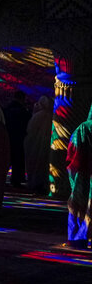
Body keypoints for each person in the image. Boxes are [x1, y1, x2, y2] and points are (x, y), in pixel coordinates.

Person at [67, 106, 92, 249]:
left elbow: (72, 151)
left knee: (79, 203)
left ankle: (78, 238)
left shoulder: (83, 128)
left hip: (83, 173)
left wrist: (73, 173)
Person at [25, 96, 54, 196]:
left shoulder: (38, 116)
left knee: (36, 165)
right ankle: (43, 185)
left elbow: (30, 130)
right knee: (44, 165)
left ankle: (35, 184)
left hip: (35, 145)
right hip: (47, 146)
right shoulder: (52, 116)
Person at [2, 90, 30, 187]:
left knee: (7, 159)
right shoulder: (22, 111)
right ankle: (16, 180)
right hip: (19, 139)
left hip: (7, 137)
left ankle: (1, 178)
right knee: (17, 160)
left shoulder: (7, 109)